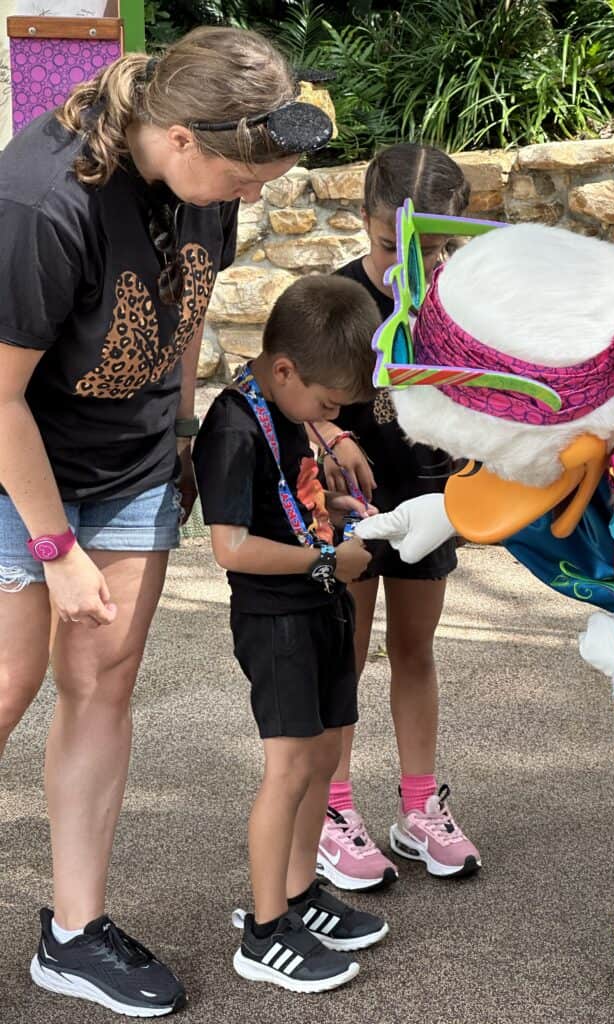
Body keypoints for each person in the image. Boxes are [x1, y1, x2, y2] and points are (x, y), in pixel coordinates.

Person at [0, 26, 334, 1016]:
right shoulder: (41, 200)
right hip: (19, 467)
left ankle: (73, 933)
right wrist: (57, 550)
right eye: (244, 179)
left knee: (101, 681)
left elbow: (185, 314)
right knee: (10, 681)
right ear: (183, 137)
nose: (253, 196)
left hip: (133, 463)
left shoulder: (205, 183)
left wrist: (181, 437)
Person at [192, 274, 389, 993]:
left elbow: (287, 500)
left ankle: (300, 893)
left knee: (321, 755)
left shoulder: (283, 408)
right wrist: (328, 559)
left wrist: (336, 507)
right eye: (329, 405)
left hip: (319, 604)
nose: (332, 418)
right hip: (277, 619)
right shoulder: (233, 425)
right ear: (284, 371)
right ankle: (266, 928)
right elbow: (232, 546)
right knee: (288, 769)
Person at [312, 144, 481, 891]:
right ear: (364, 222)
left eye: (434, 250)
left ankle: (419, 810)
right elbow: (285, 393)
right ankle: (332, 808)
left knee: (414, 649)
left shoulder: (462, 306)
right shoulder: (333, 299)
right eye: (392, 246)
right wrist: (329, 435)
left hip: (431, 500)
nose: (408, 266)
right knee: (343, 655)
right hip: (350, 508)